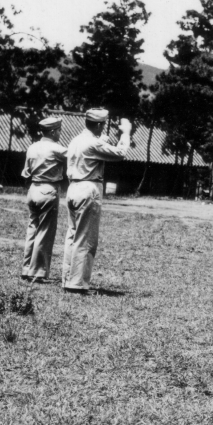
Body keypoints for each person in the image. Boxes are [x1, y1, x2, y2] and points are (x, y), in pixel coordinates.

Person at [61, 109, 131, 293]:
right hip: (88, 188)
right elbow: (121, 153)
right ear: (99, 125)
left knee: (72, 236)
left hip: (73, 188)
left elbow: (99, 144)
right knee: (86, 239)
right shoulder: (92, 143)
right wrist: (125, 133)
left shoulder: (76, 140)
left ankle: (67, 278)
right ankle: (77, 283)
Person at [20, 116, 67, 283]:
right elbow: (75, 158)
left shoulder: (32, 147)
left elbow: (26, 173)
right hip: (48, 189)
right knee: (45, 232)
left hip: (33, 189)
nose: (60, 133)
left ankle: (26, 269)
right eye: (59, 130)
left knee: (32, 228)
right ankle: (38, 271)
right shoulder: (57, 149)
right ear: (53, 131)